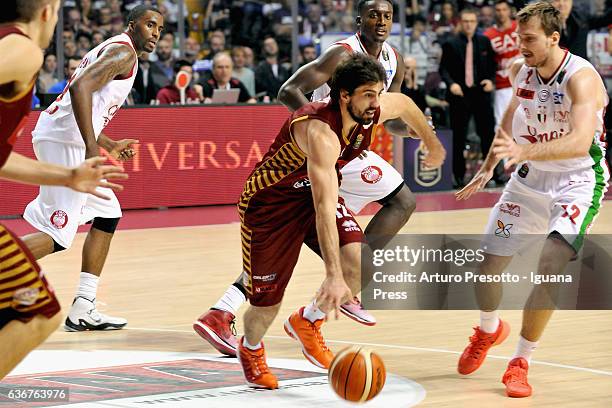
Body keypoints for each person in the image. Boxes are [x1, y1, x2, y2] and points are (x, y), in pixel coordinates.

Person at [193, 0, 446, 358]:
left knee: (401, 202)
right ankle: (238, 308)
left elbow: (388, 117)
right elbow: (288, 90)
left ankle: (337, 287)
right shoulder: (339, 54)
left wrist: (411, 131)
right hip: (327, 146)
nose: (381, 21)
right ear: (359, 19)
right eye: (374, 15)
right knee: (302, 226)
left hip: (351, 148)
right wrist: (317, 132)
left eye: (388, 15)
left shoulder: (393, 59)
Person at [235, 54, 442, 389]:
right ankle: (251, 348)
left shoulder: (370, 108)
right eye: (369, 95)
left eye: (378, 93)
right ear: (345, 96)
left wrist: (432, 145)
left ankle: (307, 321)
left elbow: (404, 104)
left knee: (362, 265)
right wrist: (332, 276)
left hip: (310, 195)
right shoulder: (319, 132)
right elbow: (323, 206)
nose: (377, 103)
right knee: (265, 307)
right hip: (270, 207)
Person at [455, 1, 609, 398]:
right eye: (518, 37)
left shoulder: (582, 78)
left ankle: (520, 361)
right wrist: (489, 166)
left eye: (528, 39)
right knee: (487, 269)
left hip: (576, 181)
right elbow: (508, 126)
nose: (519, 44)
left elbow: (578, 142)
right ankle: (489, 331)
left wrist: (526, 152)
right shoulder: (519, 71)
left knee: (550, 266)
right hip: (528, 182)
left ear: (554, 38)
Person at [0, 0, 127, 379]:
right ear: (47, 12)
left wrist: (69, 177)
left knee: (41, 314)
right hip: (65, 140)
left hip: (63, 147)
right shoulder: (22, 48)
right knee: (38, 312)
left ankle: (84, 303)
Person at [21, 5, 164, 332]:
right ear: (132, 25)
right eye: (149, 25)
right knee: (57, 235)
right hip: (66, 144)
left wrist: (108, 145)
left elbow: (82, 106)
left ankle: (83, 306)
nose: (155, 32)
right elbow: (80, 88)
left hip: (61, 135)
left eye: (159, 28)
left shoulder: (117, 50)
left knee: (108, 213)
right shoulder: (122, 54)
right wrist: (89, 149)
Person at [439, 7, 497, 187]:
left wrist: (490, 80)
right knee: (458, 136)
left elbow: (493, 66)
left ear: (476, 23)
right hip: (460, 94)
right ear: (460, 23)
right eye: (465, 21)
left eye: (472, 21)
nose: (469, 25)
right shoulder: (451, 43)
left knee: (488, 135)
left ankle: (491, 174)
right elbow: (443, 69)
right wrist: (451, 84)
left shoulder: (484, 41)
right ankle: (458, 176)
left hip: (480, 93)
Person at [484, 0, 520, 128]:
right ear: (494, 12)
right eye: (498, 10)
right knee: (502, 125)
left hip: (524, 81)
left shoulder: (520, 27)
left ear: (510, 11)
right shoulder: (488, 35)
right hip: (502, 84)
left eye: (504, 9)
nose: (501, 13)